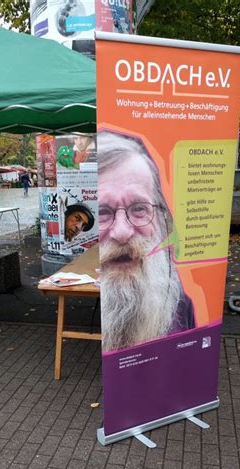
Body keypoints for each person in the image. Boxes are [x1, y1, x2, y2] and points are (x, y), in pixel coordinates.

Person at [98, 130, 195, 352]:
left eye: (139, 208)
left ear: (161, 218)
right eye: (102, 211)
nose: (122, 233)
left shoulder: (181, 305)